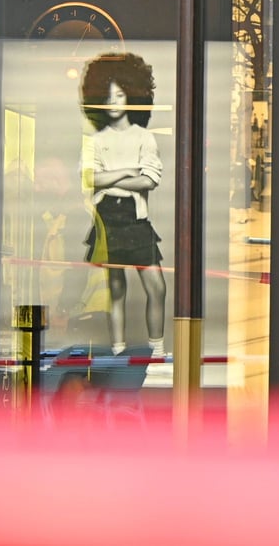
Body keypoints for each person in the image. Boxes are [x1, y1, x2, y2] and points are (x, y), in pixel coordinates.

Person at [79, 52, 168, 361]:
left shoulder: (144, 137)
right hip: (108, 216)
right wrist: (127, 172)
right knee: (115, 288)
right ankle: (118, 350)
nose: (114, 101)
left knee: (156, 285)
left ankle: (157, 350)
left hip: (135, 216)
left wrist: (111, 178)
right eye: (108, 95)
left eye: (120, 94)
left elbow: (150, 180)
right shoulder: (96, 140)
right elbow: (90, 178)